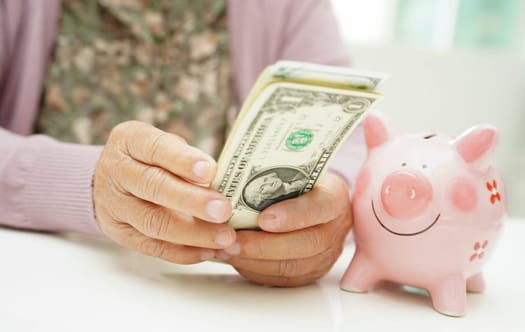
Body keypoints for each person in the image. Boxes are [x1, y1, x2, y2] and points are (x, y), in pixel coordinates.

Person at [0, 0, 366, 287]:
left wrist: (328, 206)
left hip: (220, 299)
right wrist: (87, 183)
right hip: (42, 282)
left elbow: (355, 140)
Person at [243, 168, 309, 211]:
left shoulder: (299, 176)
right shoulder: (283, 206)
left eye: (265, 179)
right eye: (262, 188)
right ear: (262, 197)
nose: (269, 183)